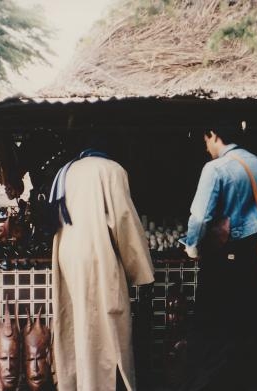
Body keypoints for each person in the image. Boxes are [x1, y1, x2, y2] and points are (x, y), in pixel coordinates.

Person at [49, 132, 155, 391]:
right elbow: (123, 220)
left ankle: (76, 383)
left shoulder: (66, 170)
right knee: (107, 323)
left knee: (77, 323)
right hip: (96, 253)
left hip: (66, 252)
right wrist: (141, 271)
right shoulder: (112, 169)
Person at [179, 123, 257, 390]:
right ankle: (241, 379)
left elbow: (201, 216)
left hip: (224, 253)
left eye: (206, 140)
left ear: (213, 134)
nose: (206, 147)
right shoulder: (256, 163)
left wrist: (191, 245)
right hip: (252, 250)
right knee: (243, 318)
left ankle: (208, 383)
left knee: (212, 321)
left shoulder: (215, 168)